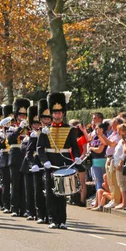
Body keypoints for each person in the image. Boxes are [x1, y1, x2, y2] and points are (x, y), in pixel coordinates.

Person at [37, 92, 82, 229]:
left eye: (59, 112)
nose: (57, 115)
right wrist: (44, 161)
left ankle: (62, 220)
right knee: (50, 193)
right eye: (54, 112)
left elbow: (74, 147)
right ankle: (52, 219)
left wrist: (77, 157)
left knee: (62, 193)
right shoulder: (45, 130)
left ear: (63, 113)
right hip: (50, 163)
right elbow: (40, 148)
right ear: (51, 113)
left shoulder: (69, 129)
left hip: (64, 163)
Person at [7, 98, 31, 217]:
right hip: (15, 154)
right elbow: (10, 139)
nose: (22, 116)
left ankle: (25, 208)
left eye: (24, 114)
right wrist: (19, 128)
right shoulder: (11, 126)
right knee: (16, 184)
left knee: (25, 184)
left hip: (26, 155)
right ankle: (14, 207)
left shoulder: (30, 126)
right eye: (20, 114)